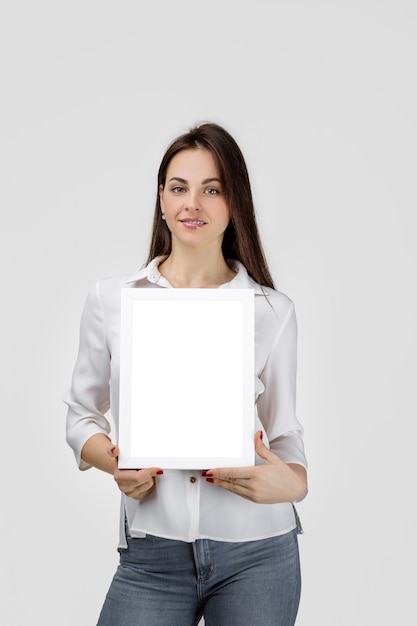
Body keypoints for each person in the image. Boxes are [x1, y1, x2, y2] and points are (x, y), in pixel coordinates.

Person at [64, 122, 308, 626]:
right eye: (178, 188)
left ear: (234, 202)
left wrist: (291, 486)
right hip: (153, 555)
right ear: (161, 198)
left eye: (211, 189)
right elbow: (81, 417)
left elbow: (284, 433)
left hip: (258, 553)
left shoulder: (271, 310)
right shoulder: (112, 299)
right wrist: (115, 467)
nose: (191, 204)